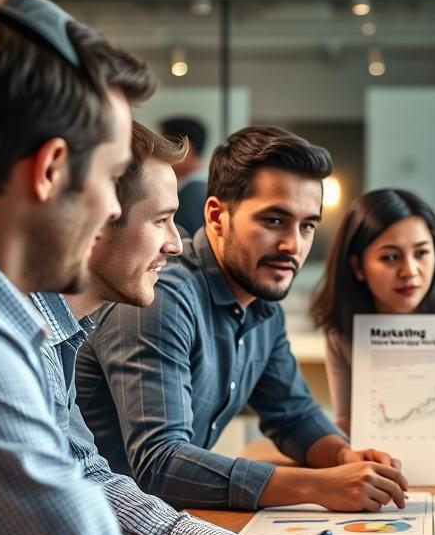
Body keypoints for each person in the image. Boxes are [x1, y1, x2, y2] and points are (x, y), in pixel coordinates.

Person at [0, 0, 423, 535]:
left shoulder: (14, 323)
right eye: (110, 184)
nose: (114, 217)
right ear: (50, 170)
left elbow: (90, 479)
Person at [76, 125, 409, 512]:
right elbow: (159, 464)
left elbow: (293, 415)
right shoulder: (162, 297)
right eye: (274, 221)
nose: (293, 245)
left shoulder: (262, 302)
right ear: (217, 216)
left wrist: (342, 457)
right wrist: (317, 486)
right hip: (116, 530)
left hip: (169, 526)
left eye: (307, 226)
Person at [32, 120, 294, 535]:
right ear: (96, 217)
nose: (175, 243)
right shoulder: (9, 342)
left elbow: (90, 478)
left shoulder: (61, 337)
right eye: (161, 220)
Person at [310, 187, 435, 434]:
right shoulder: (343, 332)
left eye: (421, 253)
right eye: (390, 257)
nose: (410, 271)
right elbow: (348, 423)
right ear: (358, 267)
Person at [161, 114, 208, 237]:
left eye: (164, 146)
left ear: (186, 149)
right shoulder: (200, 187)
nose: (159, 155)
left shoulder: (193, 193)